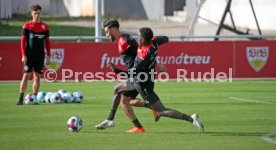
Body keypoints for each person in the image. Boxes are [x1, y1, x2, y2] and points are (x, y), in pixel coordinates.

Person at [128, 27, 205, 132]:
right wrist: (156, 39)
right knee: (126, 101)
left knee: (161, 109)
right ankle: (152, 107)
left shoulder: (144, 53)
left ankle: (191, 119)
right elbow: (166, 39)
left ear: (144, 40)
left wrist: (116, 70)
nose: (138, 38)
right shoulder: (153, 43)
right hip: (148, 77)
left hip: (143, 83)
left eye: (139, 37)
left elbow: (133, 71)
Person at [95, 19, 151, 132]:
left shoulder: (124, 41)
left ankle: (111, 119)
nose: (106, 35)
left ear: (113, 29)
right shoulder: (124, 37)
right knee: (125, 101)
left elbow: (141, 53)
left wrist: (118, 71)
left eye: (107, 32)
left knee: (117, 90)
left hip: (139, 75)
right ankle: (141, 123)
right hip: (137, 74)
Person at [16, 4, 51, 105]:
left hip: (40, 56)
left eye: (38, 14)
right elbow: (22, 42)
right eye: (35, 13)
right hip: (29, 55)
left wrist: (48, 55)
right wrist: (23, 55)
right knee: (26, 75)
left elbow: (47, 42)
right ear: (31, 13)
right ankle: (21, 97)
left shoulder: (45, 27)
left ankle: (34, 97)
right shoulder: (27, 26)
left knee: (37, 77)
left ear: (40, 13)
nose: (37, 15)